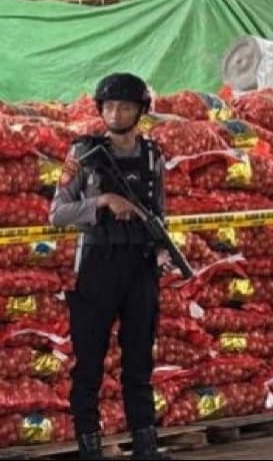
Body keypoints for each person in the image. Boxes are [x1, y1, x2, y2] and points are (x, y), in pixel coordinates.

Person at [50, 73, 172, 459]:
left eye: (125, 107)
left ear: (140, 111)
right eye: (110, 107)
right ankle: (89, 444)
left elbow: (160, 213)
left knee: (139, 360)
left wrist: (162, 250)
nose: (116, 113)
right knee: (89, 361)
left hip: (140, 266)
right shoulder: (84, 154)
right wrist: (101, 202)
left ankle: (145, 444)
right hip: (97, 266)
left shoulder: (152, 156)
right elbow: (57, 213)